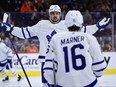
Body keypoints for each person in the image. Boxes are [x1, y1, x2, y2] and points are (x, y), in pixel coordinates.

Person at [0, 5, 110, 86]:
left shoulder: (66, 24)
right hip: (46, 60)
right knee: (47, 85)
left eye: (57, 13)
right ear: (49, 14)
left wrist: (97, 26)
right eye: (53, 13)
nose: (55, 15)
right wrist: (11, 29)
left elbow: (84, 30)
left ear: (60, 14)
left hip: (62, 60)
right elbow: (25, 32)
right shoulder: (41, 25)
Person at [43, 10, 107, 87]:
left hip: (63, 84)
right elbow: (100, 67)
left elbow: (48, 68)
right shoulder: (89, 38)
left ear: (66, 23)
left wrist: (52, 83)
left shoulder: (56, 39)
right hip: (89, 83)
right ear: (81, 22)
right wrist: (94, 75)